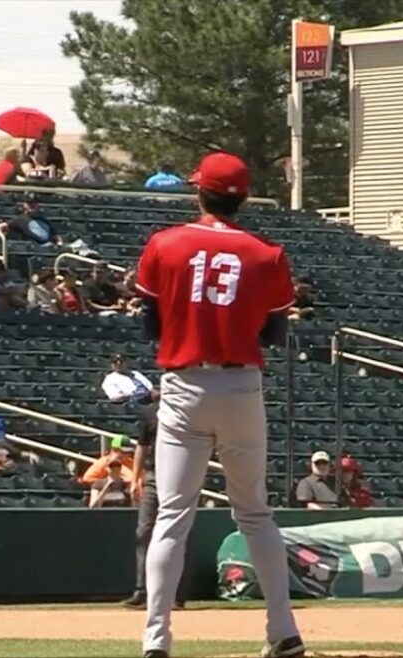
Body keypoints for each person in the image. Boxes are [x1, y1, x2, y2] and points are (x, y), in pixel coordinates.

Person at [133, 151, 304, 658]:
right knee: (254, 514)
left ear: (199, 192)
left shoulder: (165, 243)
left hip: (183, 385)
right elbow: (273, 332)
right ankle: (283, 631)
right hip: (241, 387)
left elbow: (149, 322)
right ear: (243, 198)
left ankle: (156, 639)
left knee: (172, 516)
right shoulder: (266, 253)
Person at [122, 390, 187, 610]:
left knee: (175, 533)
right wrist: (134, 478)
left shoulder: (187, 410)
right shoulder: (152, 413)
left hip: (179, 477)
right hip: (153, 476)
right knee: (144, 532)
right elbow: (142, 446)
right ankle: (141, 591)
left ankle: (175, 594)